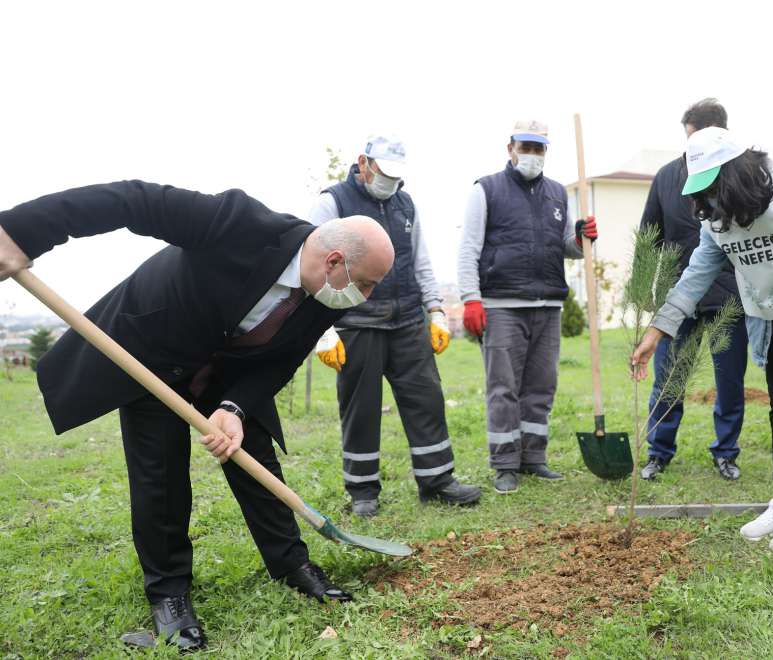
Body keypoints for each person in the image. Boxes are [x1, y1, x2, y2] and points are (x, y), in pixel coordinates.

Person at [0, 181, 396, 650]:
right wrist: (20, 230)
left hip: (231, 371)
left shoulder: (325, 294)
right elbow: (131, 201)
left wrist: (235, 407)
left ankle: (291, 563)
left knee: (257, 461)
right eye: (365, 283)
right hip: (155, 353)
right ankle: (170, 593)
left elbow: (279, 360)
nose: (365, 296)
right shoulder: (238, 223)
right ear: (334, 261)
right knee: (160, 476)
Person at [631, 127, 773, 552]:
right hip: (772, 321)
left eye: (713, 187)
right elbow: (695, 275)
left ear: (735, 174)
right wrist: (658, 328)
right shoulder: (718, 221)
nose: (708, 201)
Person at [307, 135, 481, 517]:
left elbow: (421, 261)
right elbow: (310, 262)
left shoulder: (405, 204)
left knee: (427, 400)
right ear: (363, 163)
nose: (390, 182)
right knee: (361, 408)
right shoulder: (332, 202)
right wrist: (321, 328)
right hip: (356, 322)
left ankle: (437, 480)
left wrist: (435, 309)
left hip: (406, 320)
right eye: (384, 173)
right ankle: (363, 491)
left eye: (396, 176)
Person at [457, 120, 598, 494]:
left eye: (539, 149)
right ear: (510, 148)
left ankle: (534, 458)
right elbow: (469, 248)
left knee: (541, 385)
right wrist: (471, 298)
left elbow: (565, 246)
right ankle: (505, 463)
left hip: (548, 303)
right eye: (526, 147)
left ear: (545, 152)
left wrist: (582, 237)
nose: (532, 155)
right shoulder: (485, 189)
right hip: (502, 304)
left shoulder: (557, 194)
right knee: (503, 387)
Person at [638, 98, 748, 482]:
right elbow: (648, 236)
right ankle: (659, 451)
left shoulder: (738, 177)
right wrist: (646, 294)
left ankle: (726, 452)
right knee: (669, 378)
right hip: (678, 296)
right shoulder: (667, 176)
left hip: (729, 297)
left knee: (729, 381)